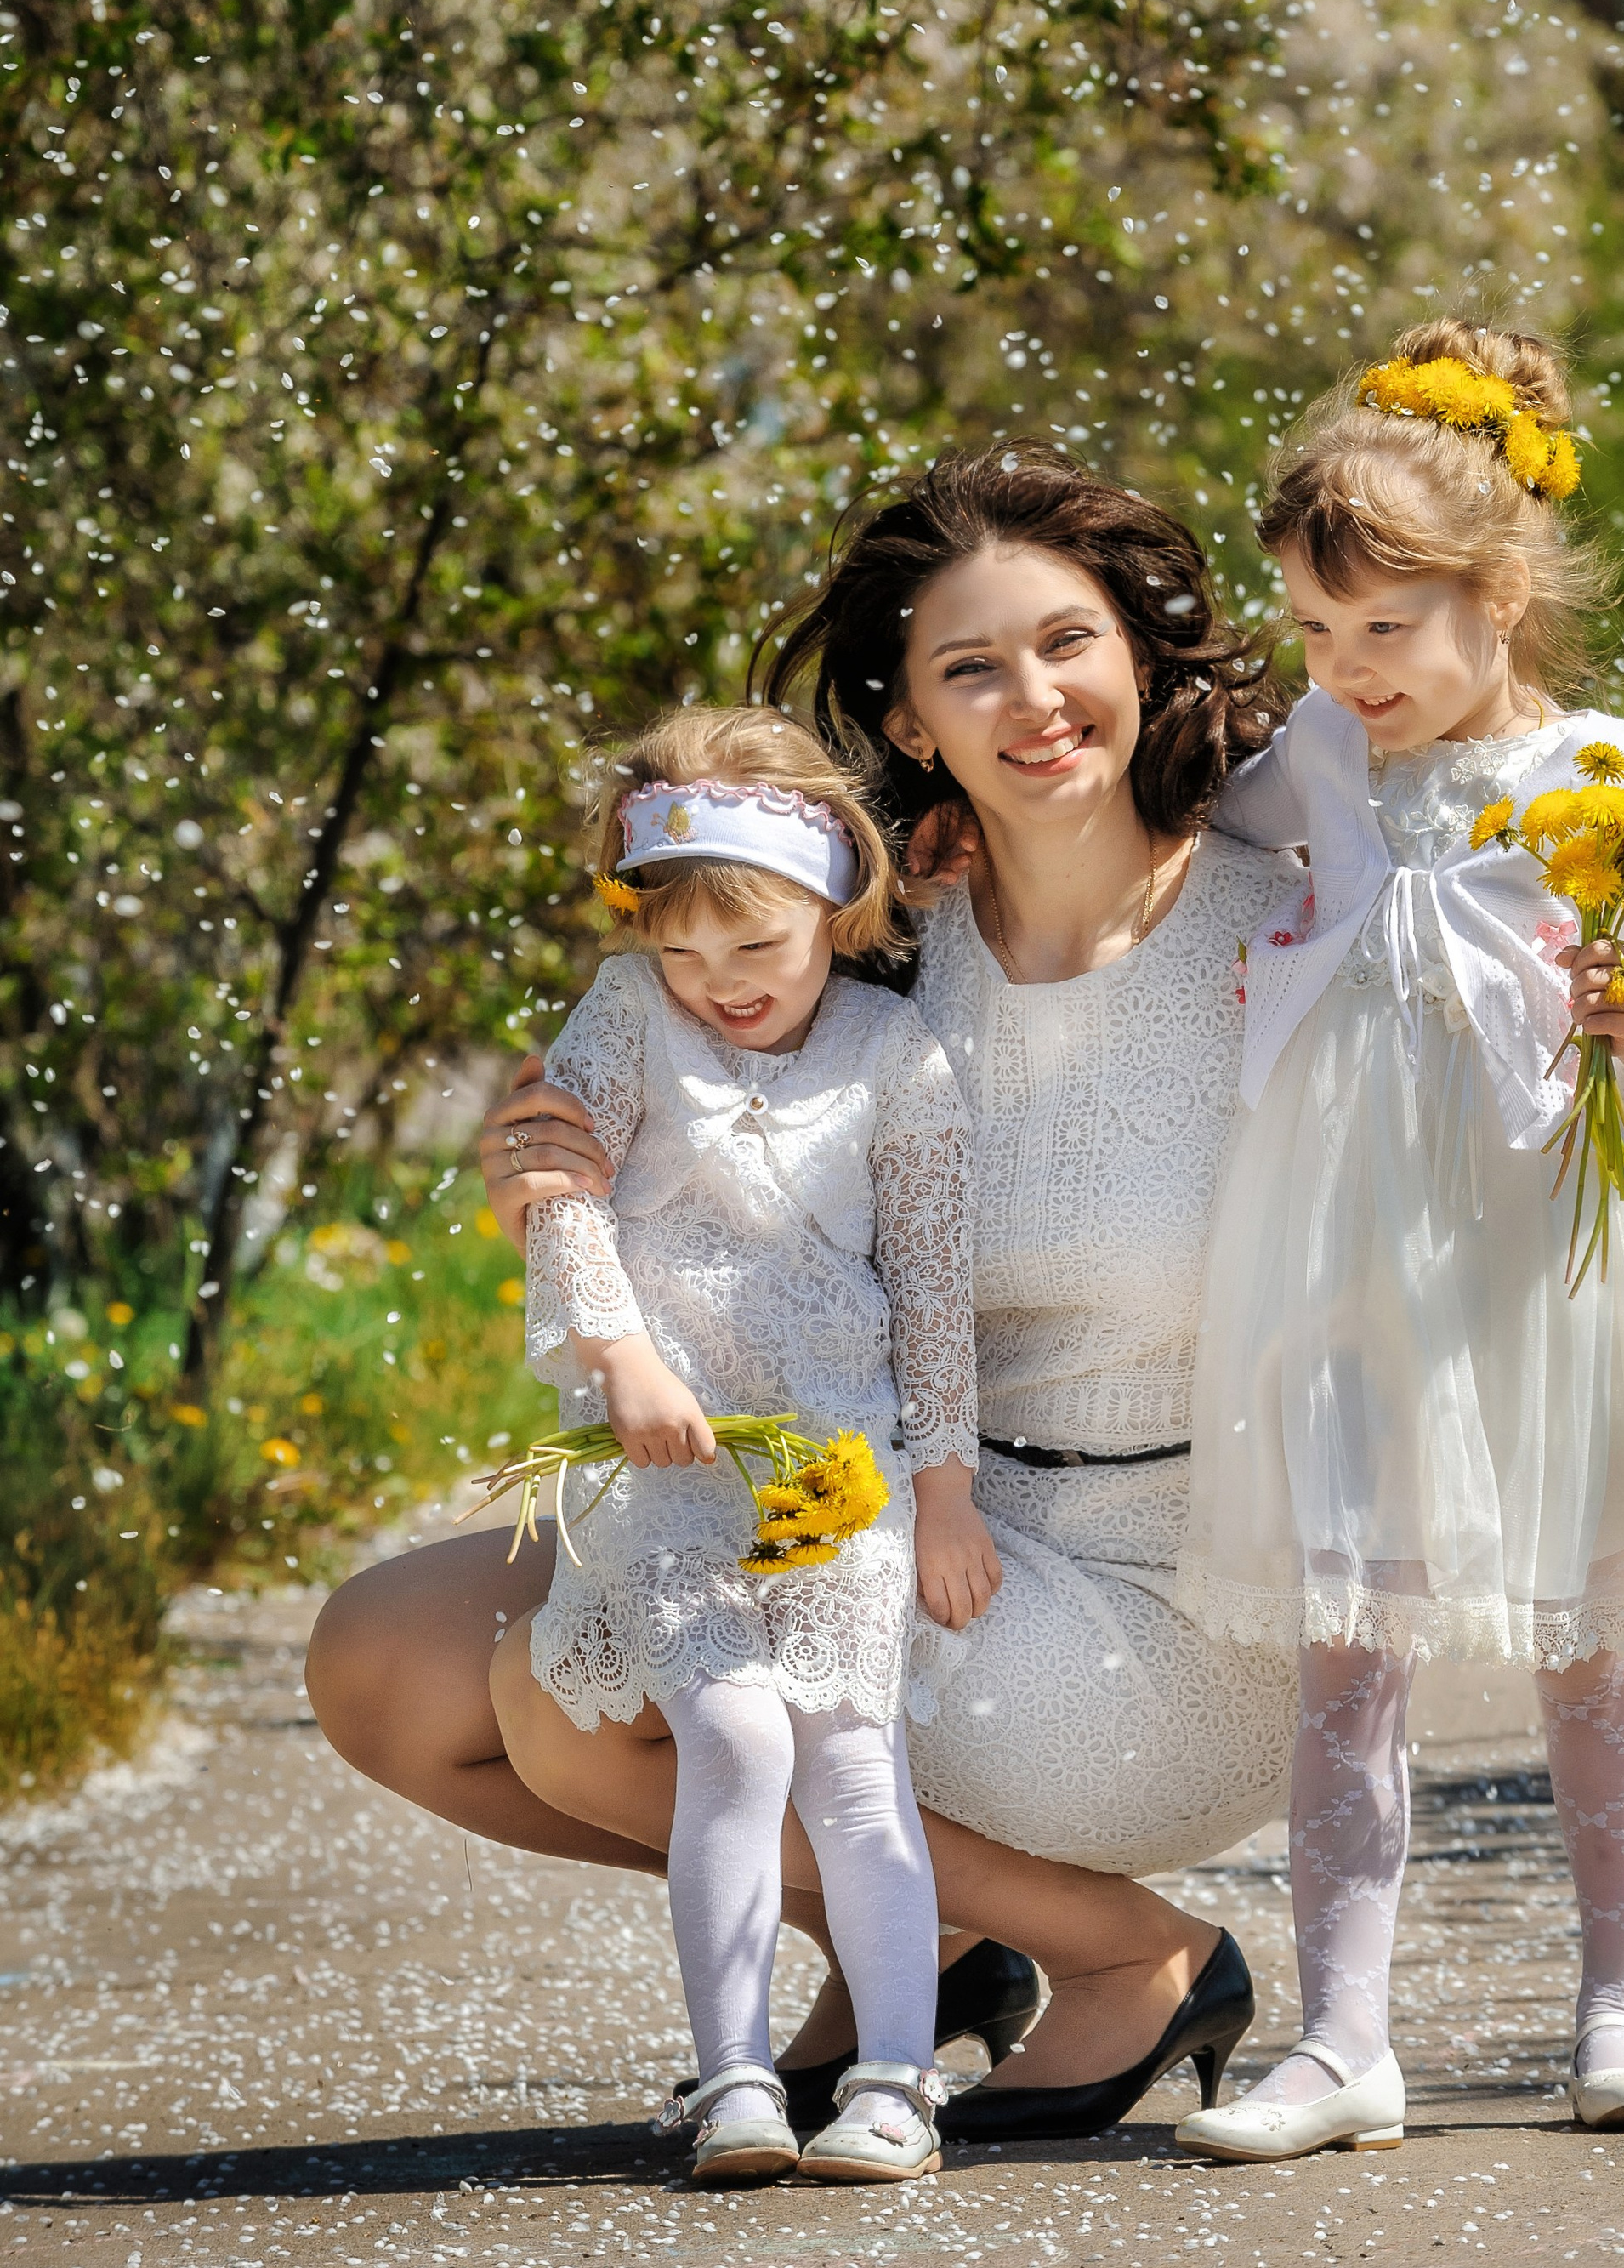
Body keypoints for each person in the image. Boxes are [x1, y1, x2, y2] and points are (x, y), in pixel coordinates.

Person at [305, 448, 1299, 2142]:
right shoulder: (888, 941)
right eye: (968, 667)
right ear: (909, 722)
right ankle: (927, 1931)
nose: (1033, 699)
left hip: (1165, 1605)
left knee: (574, 1702)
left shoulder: (1280, 932)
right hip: (885, 1498)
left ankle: (1135, 1955)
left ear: (1135, 651)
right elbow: (693, 1129)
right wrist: (557, 1177)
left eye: (1068, 642)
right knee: (381, 1664)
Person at [1169, 319, 1624, 2163]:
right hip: (1358, 1257)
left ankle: (1618, 2008)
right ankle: (1340, 2037)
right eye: (1312, 629)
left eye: (1385, 629)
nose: (1347, 670)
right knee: (1348, 1649)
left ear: (1498, 592)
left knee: (1595, 1650)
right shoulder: (1312, 758)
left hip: (1556, 1263)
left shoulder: (1611, 765)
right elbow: (1181, 832)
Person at [511, 702, 993, 2183]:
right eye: (687, 955)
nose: (721, 985)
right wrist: (625, 1358)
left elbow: (930, 1285)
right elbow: (561, 1194)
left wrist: (947, 1491)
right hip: (676, 1463)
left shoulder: (893, 1051)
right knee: (727, 1733)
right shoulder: (621, 1016)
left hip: (835, 1463)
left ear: (833, 910)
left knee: (853, 1754)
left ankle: (899, 2081)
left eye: (758, 951)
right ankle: (731, 2081)